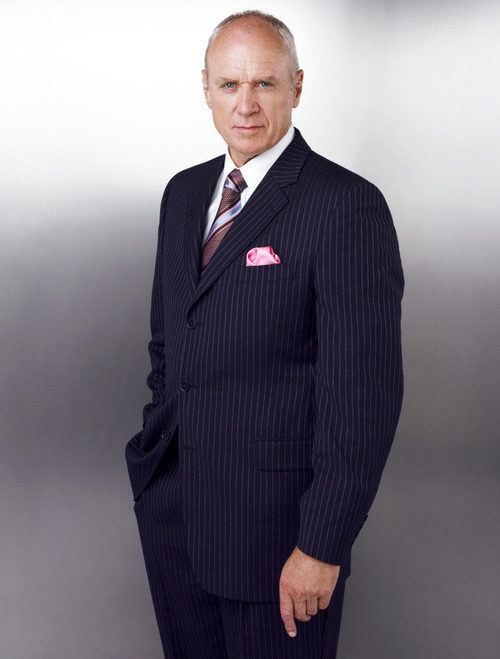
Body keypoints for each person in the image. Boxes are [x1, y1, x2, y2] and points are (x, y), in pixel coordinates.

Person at [125, 9, 404, 658]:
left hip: (277, 538)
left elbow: (362, 399)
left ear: (297, 87)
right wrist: (152, 458)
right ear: (205, 88)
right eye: (229, 84)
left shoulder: (345, 205)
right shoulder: (183, 194)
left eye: (265, 84)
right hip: (175, 516)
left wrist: (322, 545)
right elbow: (169, 344)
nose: (245, 104)